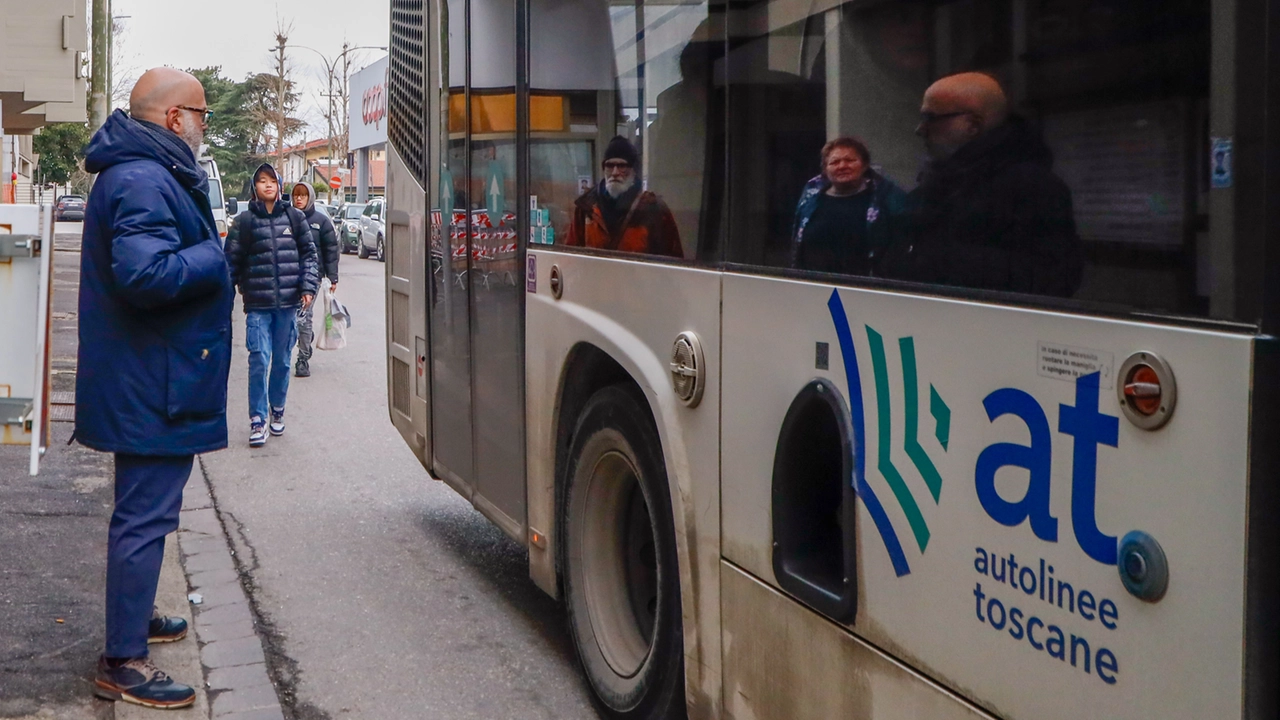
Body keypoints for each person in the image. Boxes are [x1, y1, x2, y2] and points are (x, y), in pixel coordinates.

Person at [77, 67, 230, 709]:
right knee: (143, 520)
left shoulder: (140, 170)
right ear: (173, 119)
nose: (203, 127)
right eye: (200, 115)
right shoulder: (142, 177)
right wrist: (216, 252)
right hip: (152, 384)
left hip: (148, 376)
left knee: (144, 514)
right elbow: (145, 276)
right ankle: (124, 662)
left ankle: (132, 623)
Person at [889, 72, 1082, 297]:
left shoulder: (1032, 187)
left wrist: (937, 257)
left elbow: (1051, 278)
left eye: (931, 118)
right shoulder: (939, 180)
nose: (920, 129)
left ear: (972, 125)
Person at [224, 164, 318, 447]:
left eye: (271, 181)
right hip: (257, 305)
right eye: (261, 181)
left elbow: (309, 256)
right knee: (258, 360)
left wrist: (307, 288)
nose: (267, 185)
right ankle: (257, 419)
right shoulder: (244, 222)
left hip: (287, 305)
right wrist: (223, 300)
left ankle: (277, 409)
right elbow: (230, 264)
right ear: (255, 188)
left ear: (279, 185)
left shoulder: (295, 218)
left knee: (281, 361)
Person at [790, 136, 907, 276]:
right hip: (815, 286)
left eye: (850, 160)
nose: (842, 166)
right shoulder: (810, 198)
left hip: (865, 288)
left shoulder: (886, 197)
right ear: (825, 169)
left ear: (865, 165)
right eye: (834, 162)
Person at [565, 136, 683, 258]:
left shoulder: (654, 209)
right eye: (610, 166)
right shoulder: (585, 208)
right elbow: (570, 257)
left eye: (622, 166)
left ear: (633, 170)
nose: (615, 172)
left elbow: (672, 263)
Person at [289, 182, 339, 378]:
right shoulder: (287, 219)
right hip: (290, 275)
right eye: (296, 195)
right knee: (293, 318)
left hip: (313, 278)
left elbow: (331, 250)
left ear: (309, 197)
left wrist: (332, 276)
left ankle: (302, 359)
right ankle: (305, 340)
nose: (299, 199)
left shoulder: (321, 221)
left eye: (303, 195)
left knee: (304, 317)